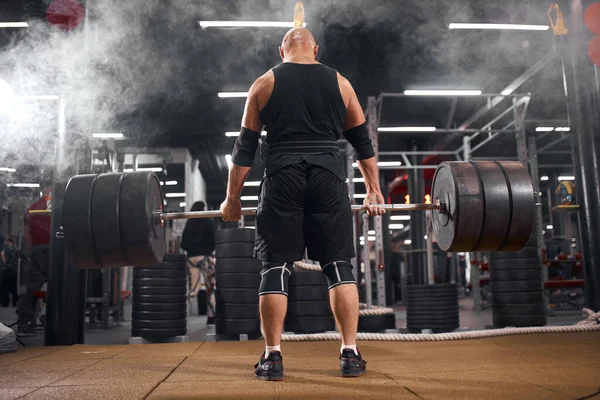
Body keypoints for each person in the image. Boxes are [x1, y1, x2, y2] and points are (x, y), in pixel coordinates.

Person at [220, 27, 386, 380]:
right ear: (316, 49)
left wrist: (231, 199)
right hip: (327, 175)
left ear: (282, 51)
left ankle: (272, 357)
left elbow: (244, 150)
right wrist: (373, 189)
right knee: (339, 266)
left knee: (275, 267)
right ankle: (350, 353)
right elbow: (362, 143)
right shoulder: (341, 83)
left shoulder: (263, 84)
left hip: (283, 177)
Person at [16, 184, 52, 336]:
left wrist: (31, 253)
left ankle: (26, 320)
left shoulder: (33, 208)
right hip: (53, 249)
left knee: (33, 287)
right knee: (58, 287)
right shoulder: (57, 207)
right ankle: (48, 317)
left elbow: (28, 234)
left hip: (38, 249)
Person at [180, 201, 217, 323]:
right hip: (205, 258)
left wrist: (192, 249)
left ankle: (178, 312)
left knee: (193, 289)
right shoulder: (209, 222)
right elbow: (214, 240)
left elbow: (183, 244)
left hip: (191, 259)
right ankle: (212, 317)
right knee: (209, 288)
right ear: (203, 209)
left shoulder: (189, 223)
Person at [1, 234, 19, 307]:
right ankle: (15, 303)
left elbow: (4, 261)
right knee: (13, 288)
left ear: (8, 241)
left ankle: (5, 303)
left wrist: (2, 255)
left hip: (7, 270)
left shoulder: (6, 250)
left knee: (5, 288)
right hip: (14, 270)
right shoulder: (16, 249)